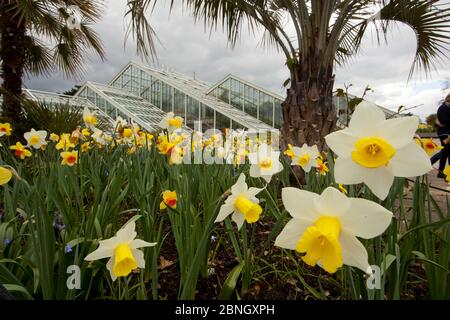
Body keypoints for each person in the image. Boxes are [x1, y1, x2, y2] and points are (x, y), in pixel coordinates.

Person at [435, 93, 450, 178]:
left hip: (448, 132)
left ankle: (446, 172)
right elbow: (443, 120)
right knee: (445, 151)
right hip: (444, 133)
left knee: (447, 151)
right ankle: (441, 171)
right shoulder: (442, 108)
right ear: (448, 98)